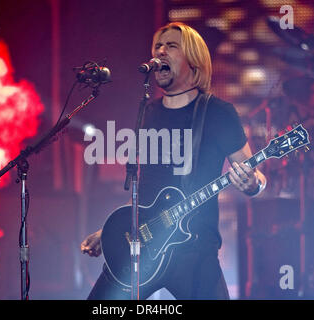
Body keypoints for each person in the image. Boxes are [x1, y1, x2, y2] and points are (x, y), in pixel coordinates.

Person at [81, 22, 266, 300]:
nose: (160, 51)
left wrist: (252, 183)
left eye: (171, 46)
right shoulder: (147, 112)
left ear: (193, 60)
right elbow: (146, 193)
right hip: (143, 249)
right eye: (157, 45)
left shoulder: (218, 112)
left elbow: (257, 177)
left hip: (195, 251)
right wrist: (111, 232)